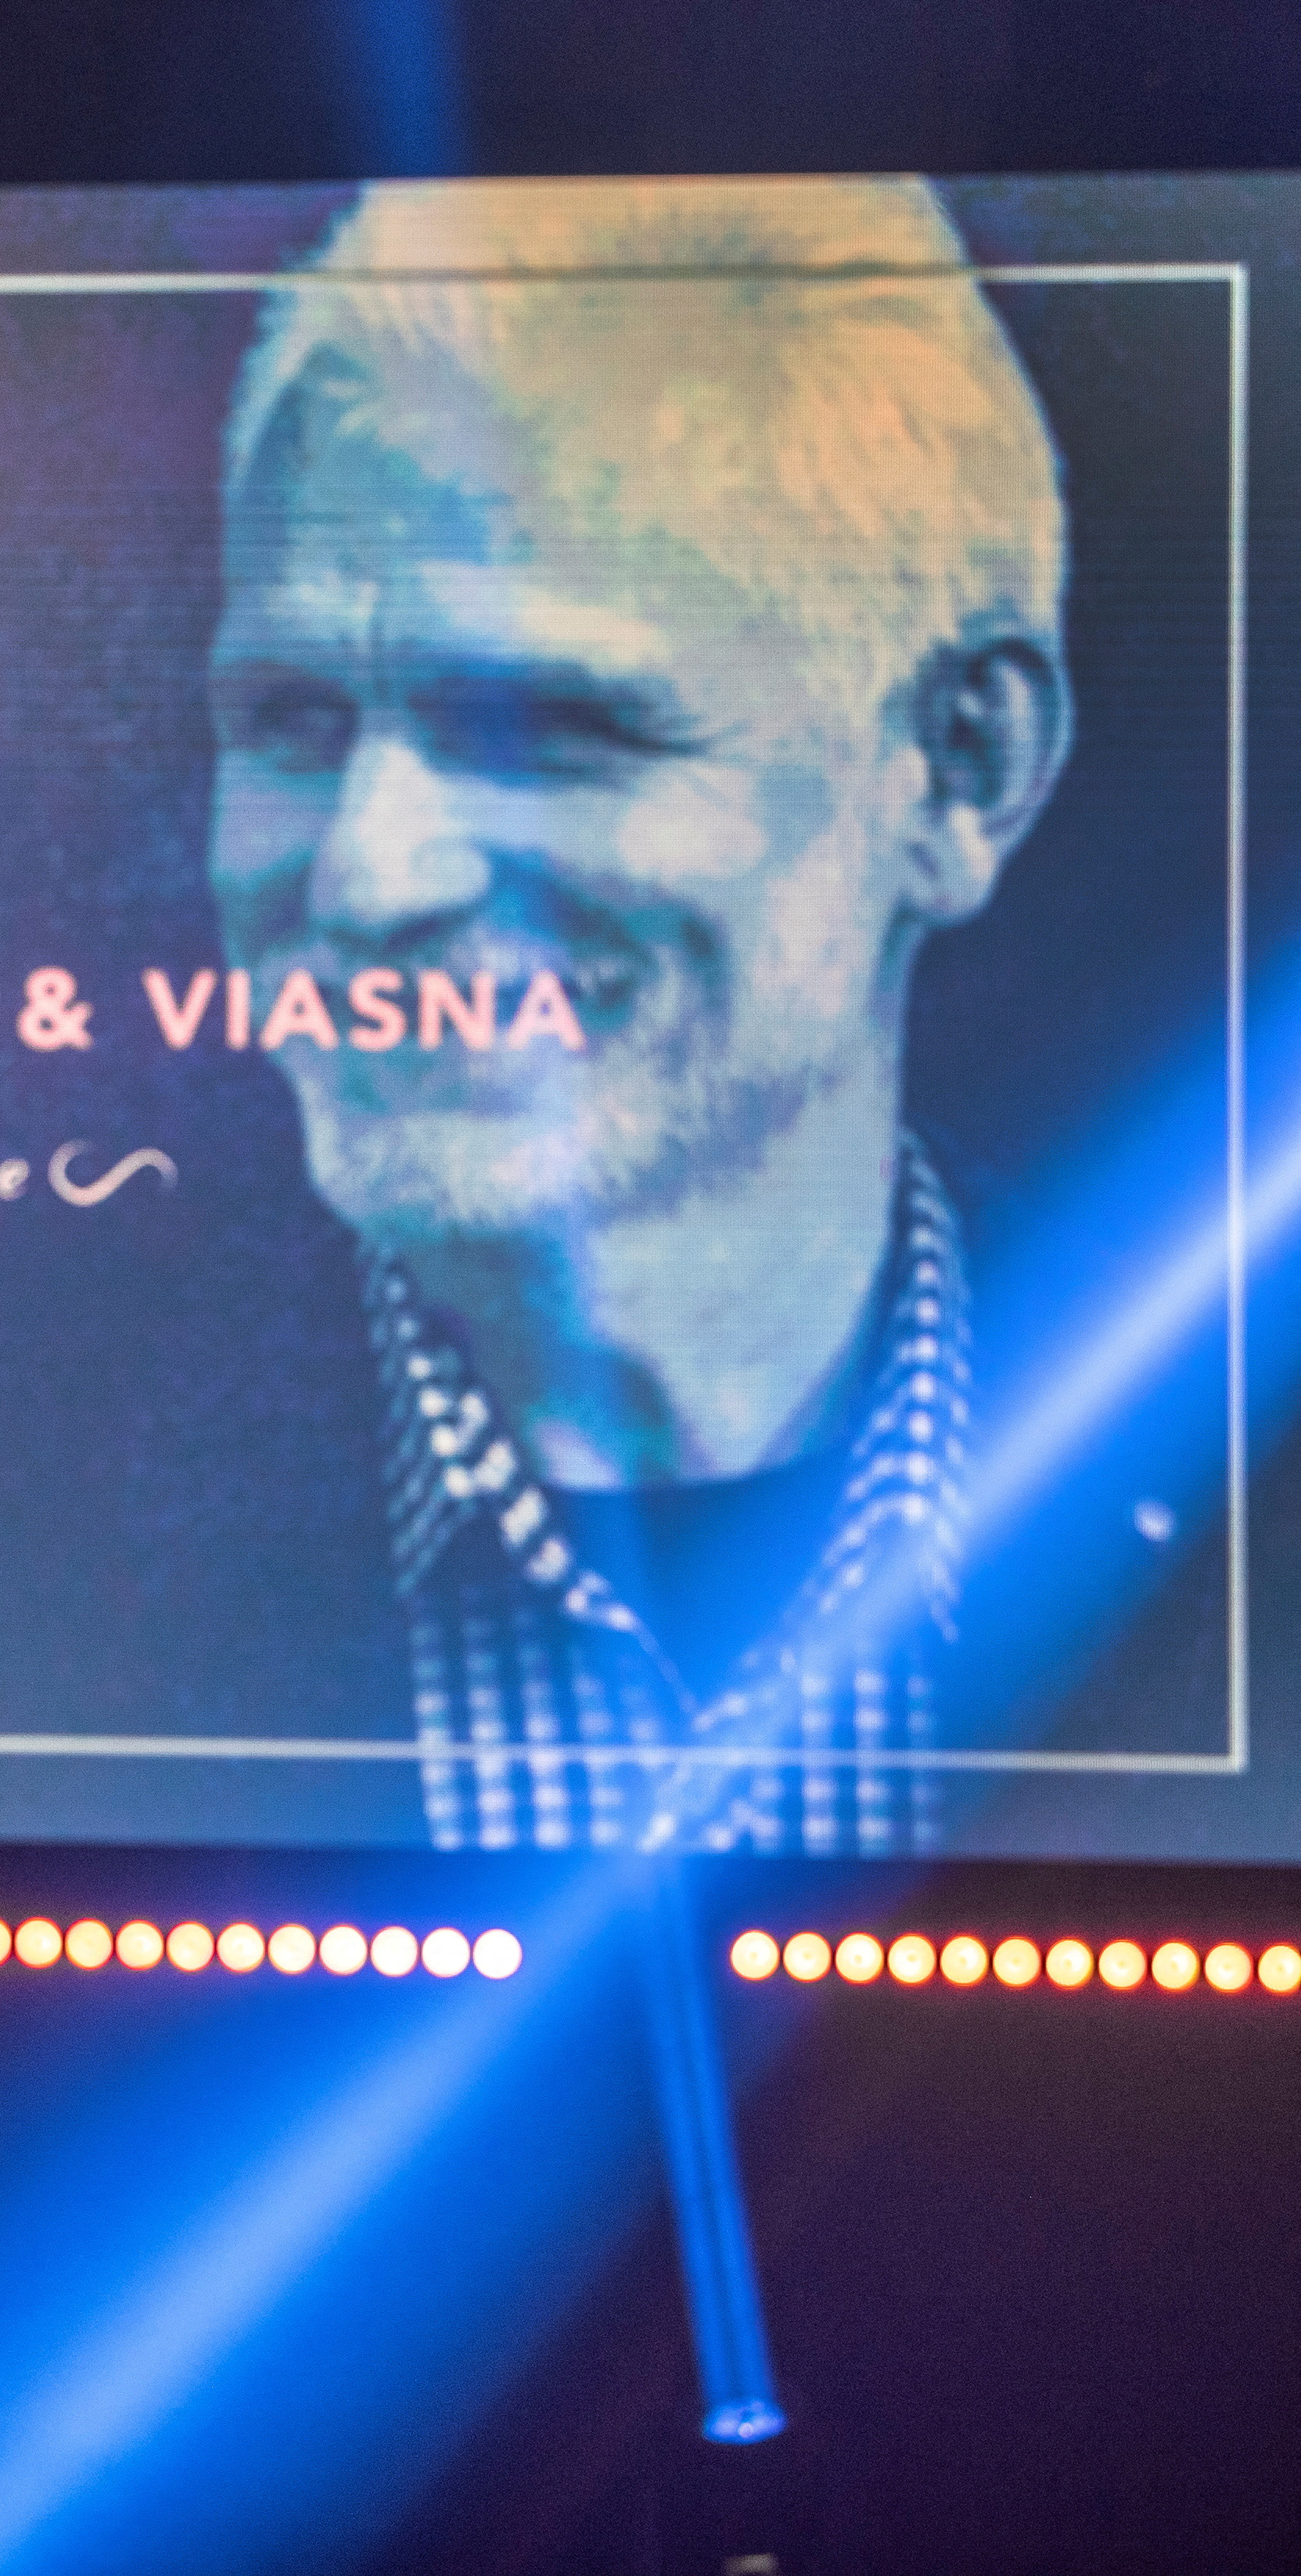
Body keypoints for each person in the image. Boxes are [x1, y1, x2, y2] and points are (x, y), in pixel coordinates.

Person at [206, 178, 1073, 1854]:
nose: (368, 879)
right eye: (294, 718)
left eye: (545, 724)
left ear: (960, 772)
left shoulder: (1232, 1508)